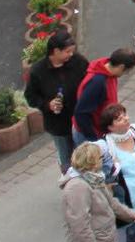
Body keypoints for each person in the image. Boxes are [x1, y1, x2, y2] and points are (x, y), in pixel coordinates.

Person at [25, 29, 89, 172]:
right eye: (67, 52)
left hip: (80, 119)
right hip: (59, 125)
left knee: (85, 156)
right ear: (55, 51)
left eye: (72, 51)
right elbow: (31, 97)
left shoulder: (78, 62)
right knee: (67, 159)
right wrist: (48, 105)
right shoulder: (38, 71)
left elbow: (89, 82)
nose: (71, 55)